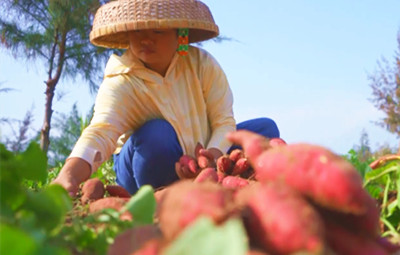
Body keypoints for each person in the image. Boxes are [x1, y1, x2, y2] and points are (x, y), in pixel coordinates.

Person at [53, 0, 280, 196]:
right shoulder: (122, 80)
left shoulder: (202, 64)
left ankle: (205, 180)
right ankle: (165, 191)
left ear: (179, 34)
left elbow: (223, 122)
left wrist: (213, 155)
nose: (146, 39)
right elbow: (100, 132)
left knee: (265, 129)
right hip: (146, 164)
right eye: (138, 30)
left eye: (158, 31)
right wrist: (69, 175)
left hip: (202, 158)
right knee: (156, 134)